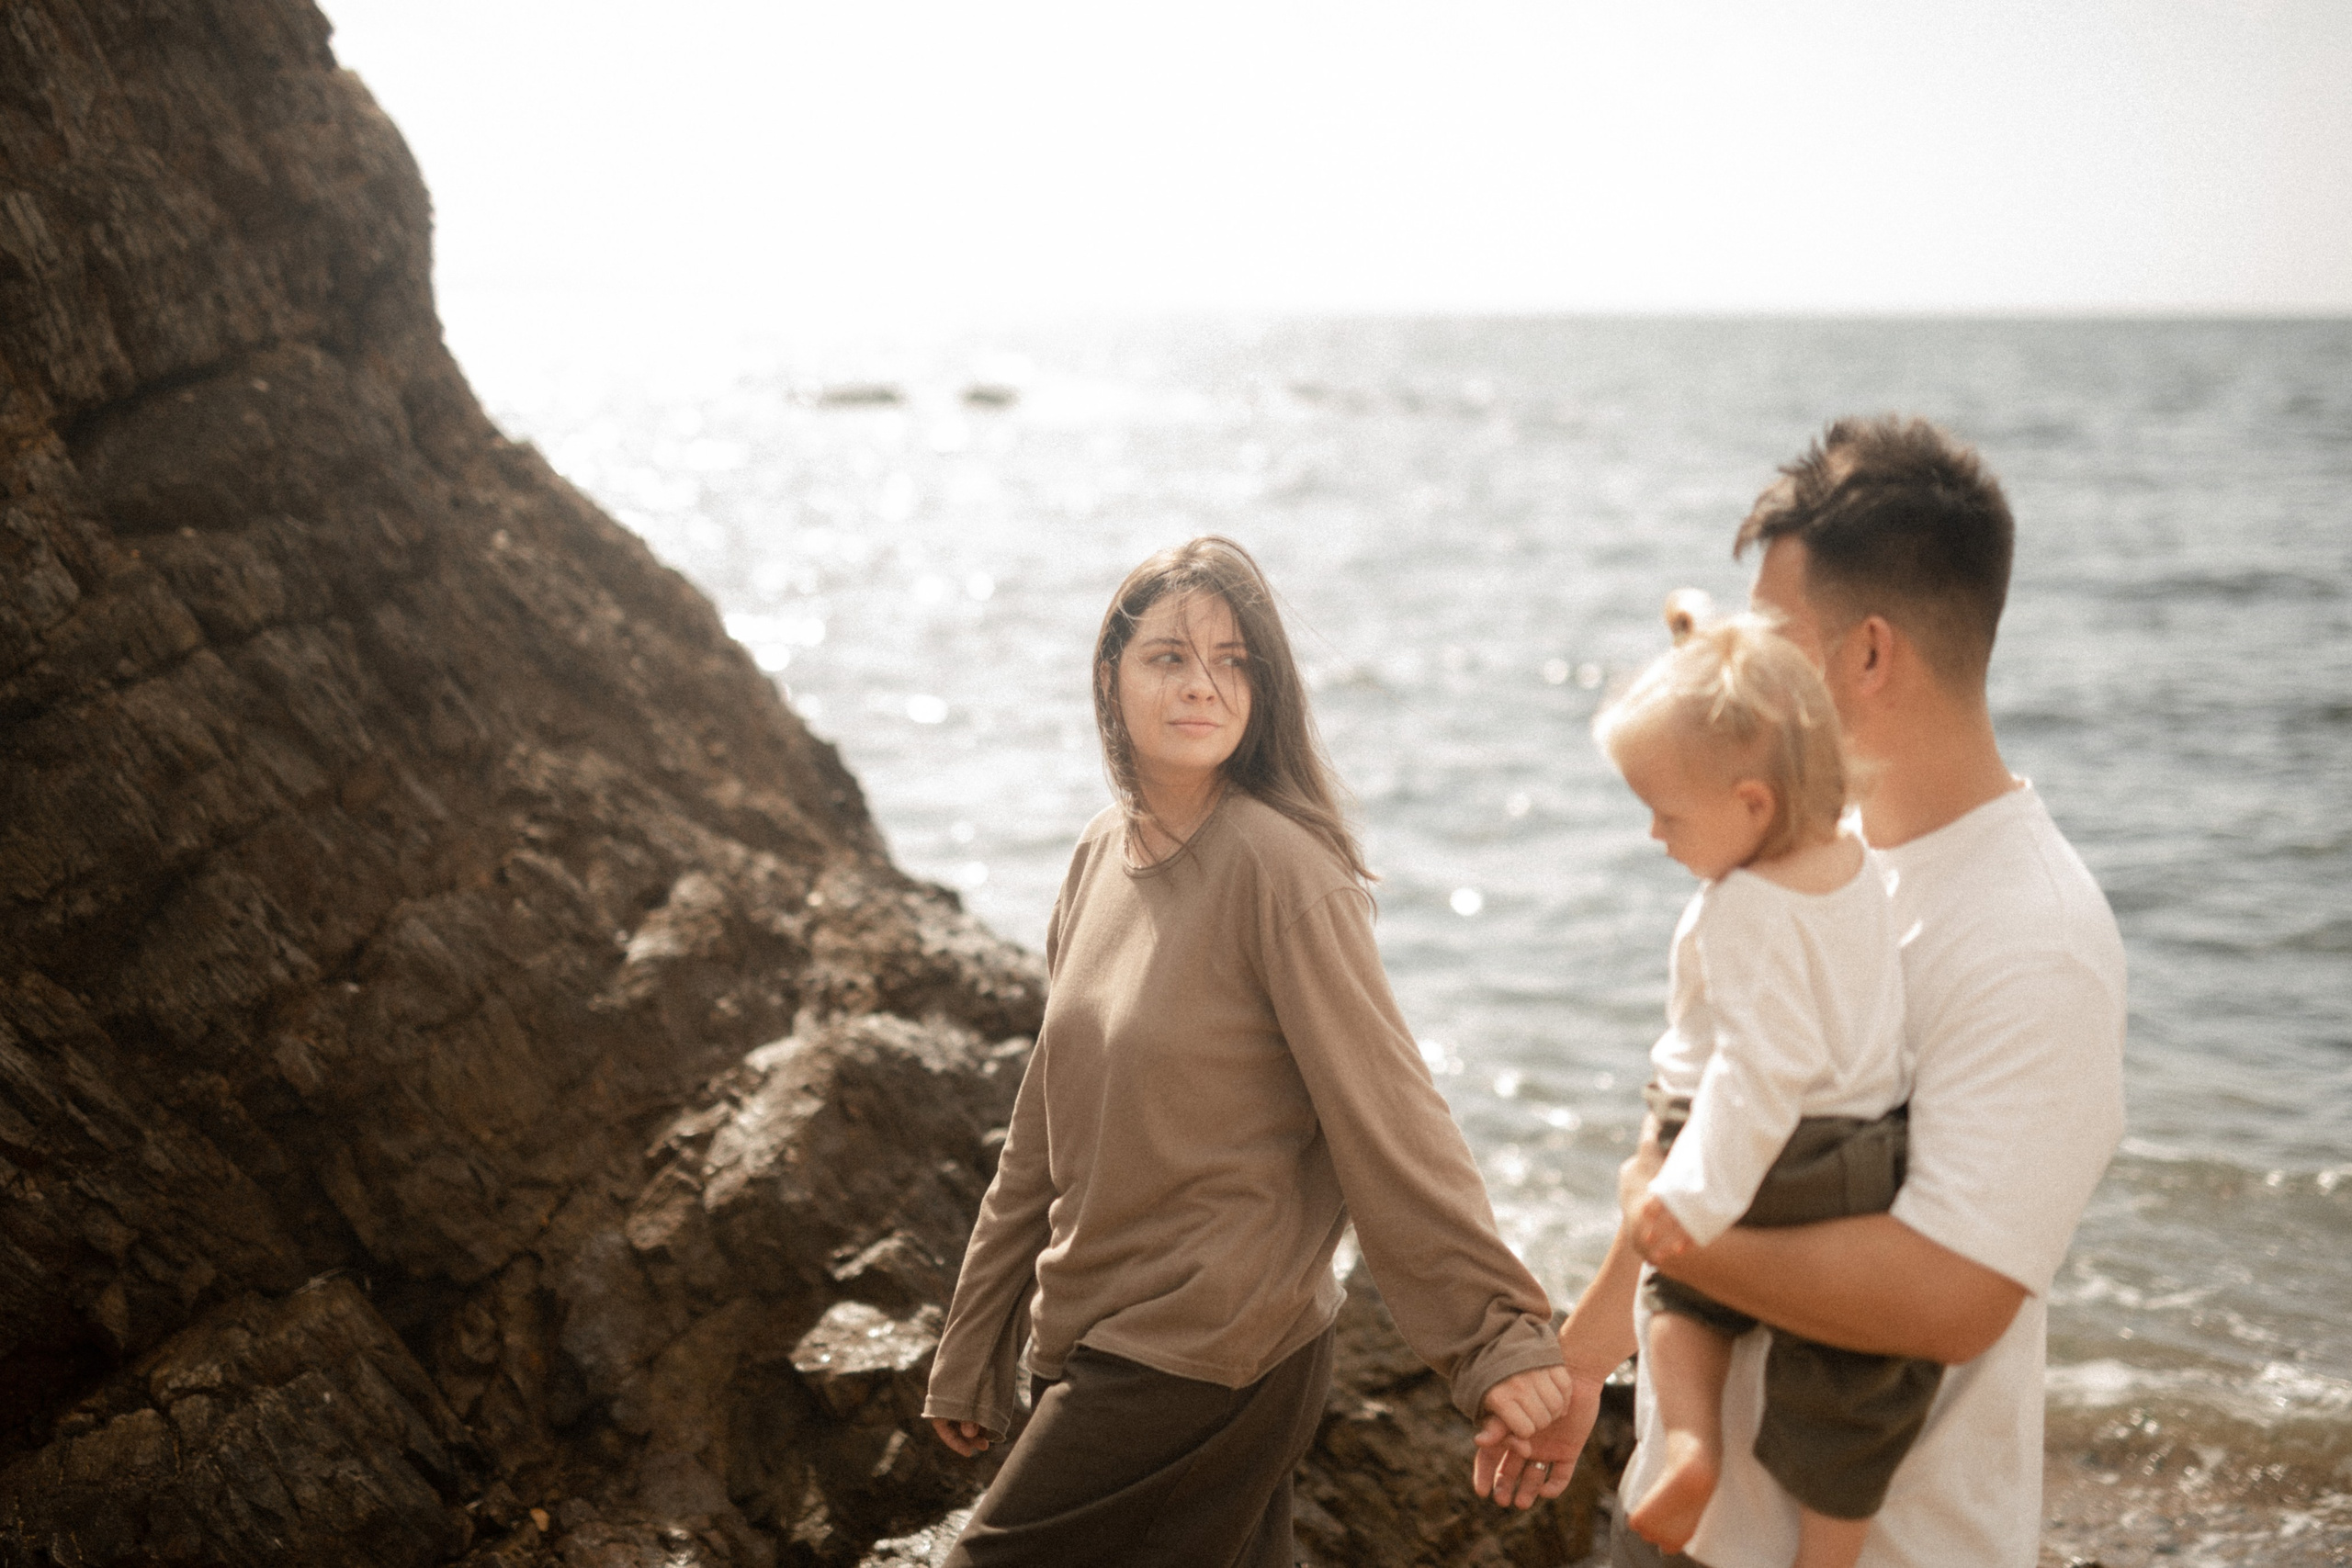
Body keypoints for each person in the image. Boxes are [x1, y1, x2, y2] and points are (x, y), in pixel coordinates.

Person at [1475, 416, 2128, 1568]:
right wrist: (1586, 1360)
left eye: (1770, 638)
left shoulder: (2036, 932)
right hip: (1678, 1528)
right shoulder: (1806, 860)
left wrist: (1661, 1223)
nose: (1735, 668)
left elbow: (1948, 1295)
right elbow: (1706, 1122)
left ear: (1868, 656)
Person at [923, 536, 1577, 1567]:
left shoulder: (1284, 871)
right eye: (1169, 657)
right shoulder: (1100, 852)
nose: (1202, 685)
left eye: (1234, 661)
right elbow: (1043, 1126)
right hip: (1093, 1329)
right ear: (1111, 677)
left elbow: (1389, 1118)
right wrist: (978, 1338)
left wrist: (1495, 1336)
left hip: (1201, 1350)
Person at [1591, 609, 1934, 1568]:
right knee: (1852, 1374)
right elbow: (1778, 714)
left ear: (1750, 804)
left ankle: (1693, 1447)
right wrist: (1713, 651)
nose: (1653, 832)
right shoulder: (1854, 859)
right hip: (1860, 1159)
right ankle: (1827, 1556)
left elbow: (1758, 1071)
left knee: (1680, 1303)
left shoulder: (1742, 906)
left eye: (1666, 812)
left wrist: (1687, 1202)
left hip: (1744, 1144)